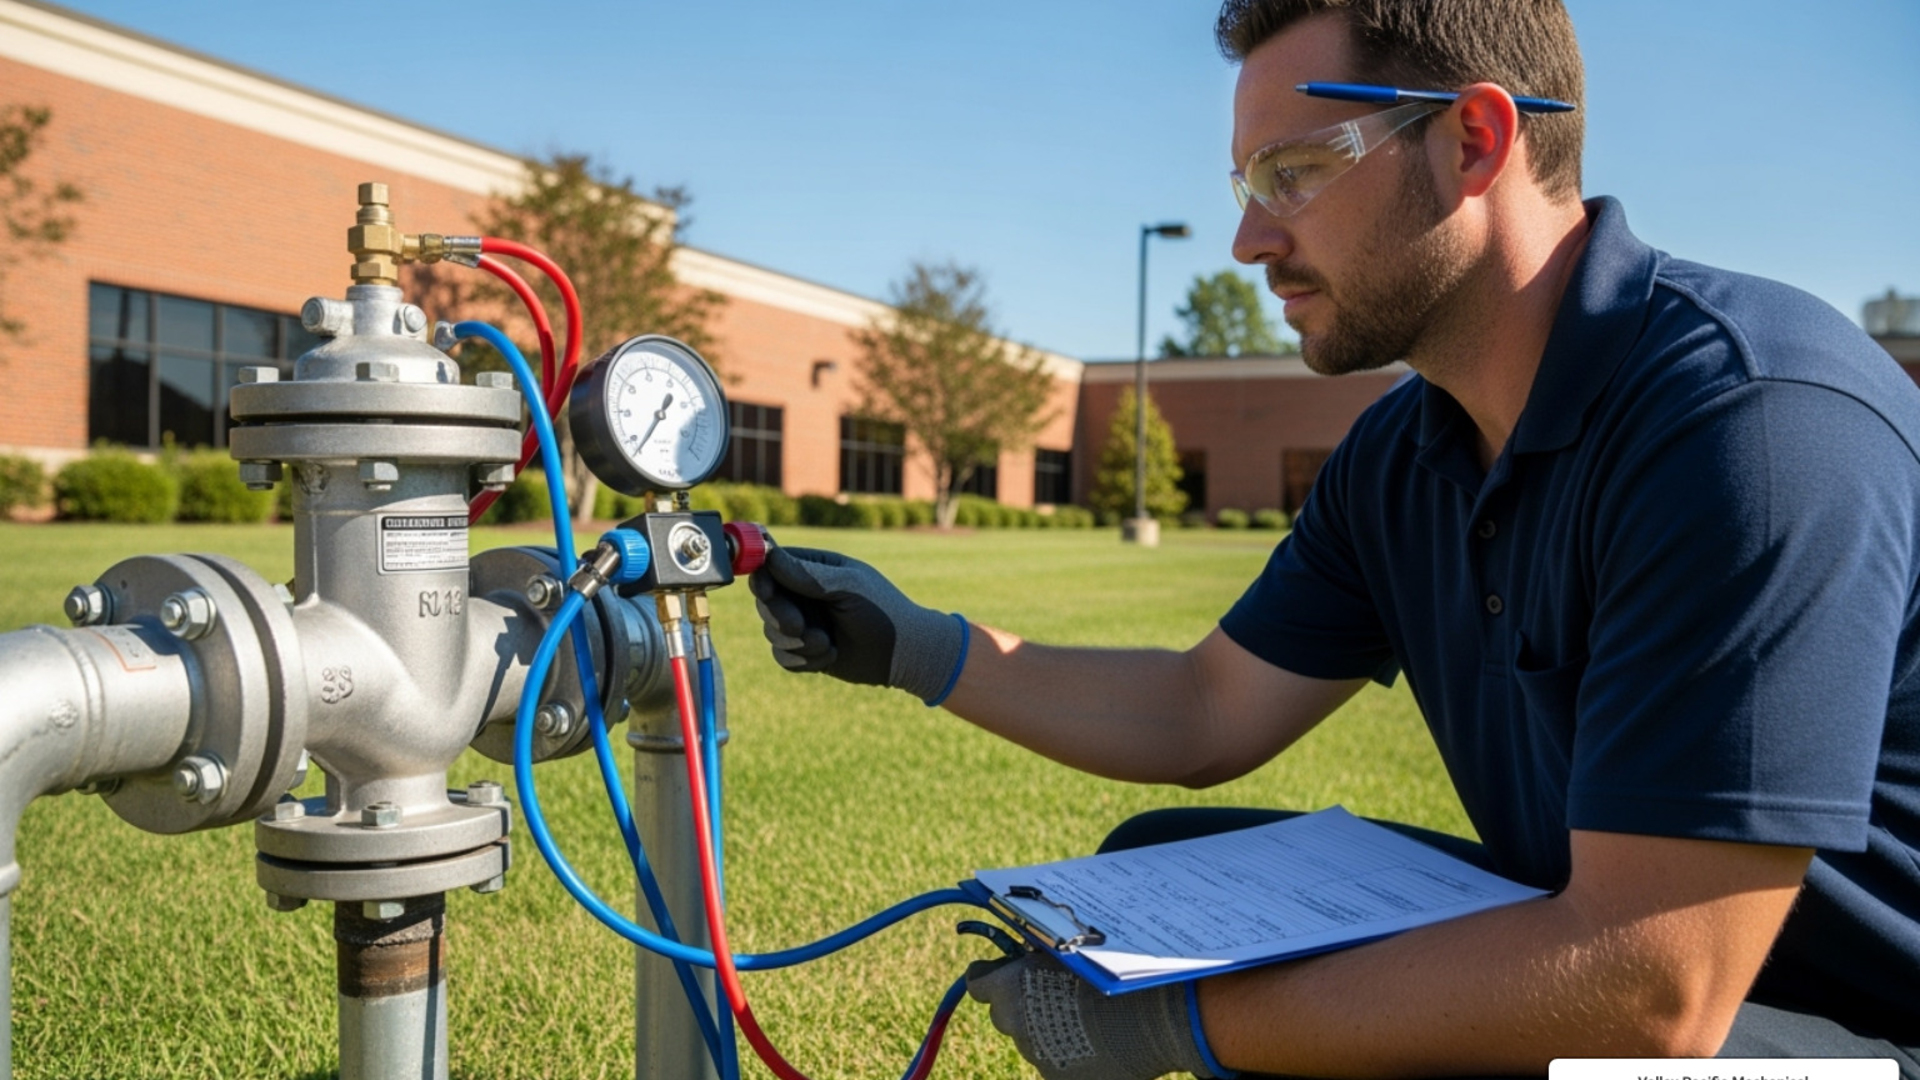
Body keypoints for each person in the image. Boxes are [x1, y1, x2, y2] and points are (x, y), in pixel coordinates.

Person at [750, 1, 1920, 1076]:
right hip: (1653, 957)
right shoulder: (1406, 450)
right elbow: (1206, 707)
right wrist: (917, 647)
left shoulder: (1749, 425)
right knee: (1165, 858)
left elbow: (1655, 992)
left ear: (1473, 140)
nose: (1250, 239)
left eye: (1295, 172)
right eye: (1246, 182)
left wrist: (1178, 1024)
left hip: (1862, 1028)